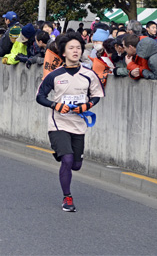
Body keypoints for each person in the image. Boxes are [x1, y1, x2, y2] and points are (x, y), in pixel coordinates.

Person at [36, 32, 105, 212]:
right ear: (64, 52)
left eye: (78, 48)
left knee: (76, 165)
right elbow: (40, 97)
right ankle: (67, 198)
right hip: (58, 123)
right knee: (67, 159)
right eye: (71, 48)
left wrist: (87, 105)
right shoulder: (54, 75)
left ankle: (64, 154)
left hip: (78, 124)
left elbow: (97, 95)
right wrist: (56, 105)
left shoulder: (89, 74)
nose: (75, 51)